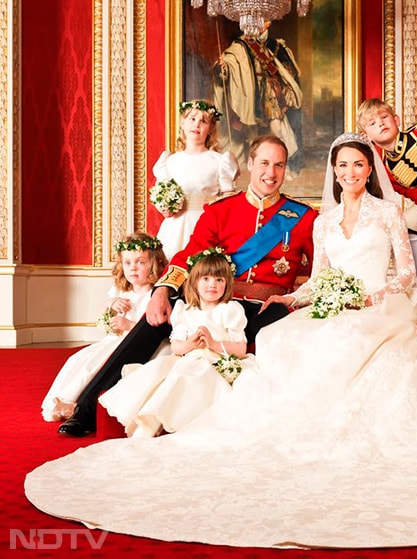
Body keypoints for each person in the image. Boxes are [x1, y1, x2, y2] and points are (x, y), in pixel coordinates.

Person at [26, 134, 417, 549]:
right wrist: (271, 296)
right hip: (268, 296)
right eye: (339, 167)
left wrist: (350, 296)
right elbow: (291, 274)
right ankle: (103, 405)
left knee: (319, 341)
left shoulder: (347, 216)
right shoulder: (272, 215)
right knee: (261, 335)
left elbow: (394, 276)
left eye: (358, 166)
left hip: (358, 307)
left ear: (366, 169)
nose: (348, 174)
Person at [56, 135, 317, 437]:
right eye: (264, 163)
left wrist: (295, 299)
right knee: (156, 319)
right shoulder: (221, 211)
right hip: (213, 298)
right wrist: (161, 292)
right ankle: (87, 408)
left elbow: (320, 268)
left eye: (279, 165)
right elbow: (187, 257)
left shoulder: (303, 217)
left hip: (263, 309)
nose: (270, 173)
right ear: (249, 164)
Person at [99, 248, 254, 437]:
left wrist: (213, 344)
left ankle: (161, 421)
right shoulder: (185, 310)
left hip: (216, 361)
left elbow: (240, 348)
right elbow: (177, 347)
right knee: (157, 374)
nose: (212, 285)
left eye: (219, 280)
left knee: (188, 377)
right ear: (194, 282)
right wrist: (190, 344)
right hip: (188, 357)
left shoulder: (230, 310)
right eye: (205, 279)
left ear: (227, 283)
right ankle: (146, 422)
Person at [41, 234, 168, 422]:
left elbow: (153, 331)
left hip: (134, 344)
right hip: (113, 339)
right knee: (79, 359)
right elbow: (102, 318)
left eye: (140, 262)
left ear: (154, 263)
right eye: (127, 263)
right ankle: (64, 399)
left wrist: (128, 325)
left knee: (98, 365)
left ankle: (78, 404)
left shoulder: (156, 294)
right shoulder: (121, 290)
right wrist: (111, 304)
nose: (133, 268)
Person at [356, 98, 417, 306]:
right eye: (372, 123)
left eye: (384, 117)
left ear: (396, 119)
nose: (380, 124)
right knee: (405, 223)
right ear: (366, 136)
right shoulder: (388, 170)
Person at [212, 22, 304, 176]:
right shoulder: (240, 45)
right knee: (252, 134)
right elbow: (229, 65)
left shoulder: (276, 45)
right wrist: (222, 69)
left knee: (278, 129)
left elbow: (287, 70)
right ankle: (256, 169)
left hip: (270, 92)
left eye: (262, 20)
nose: (257, 24)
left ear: (268, 23)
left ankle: (283, 164)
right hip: (251, 96)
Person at [152, 99, 240, 260]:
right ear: (183, 123)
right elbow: (161, 192)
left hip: (206, 225)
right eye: (192, 119)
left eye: (203, 121)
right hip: (176, 226)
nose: (197, 125)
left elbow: (229, 201)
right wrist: (165, 207)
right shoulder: (170, 161)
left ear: (211, 128)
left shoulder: (219, 161)